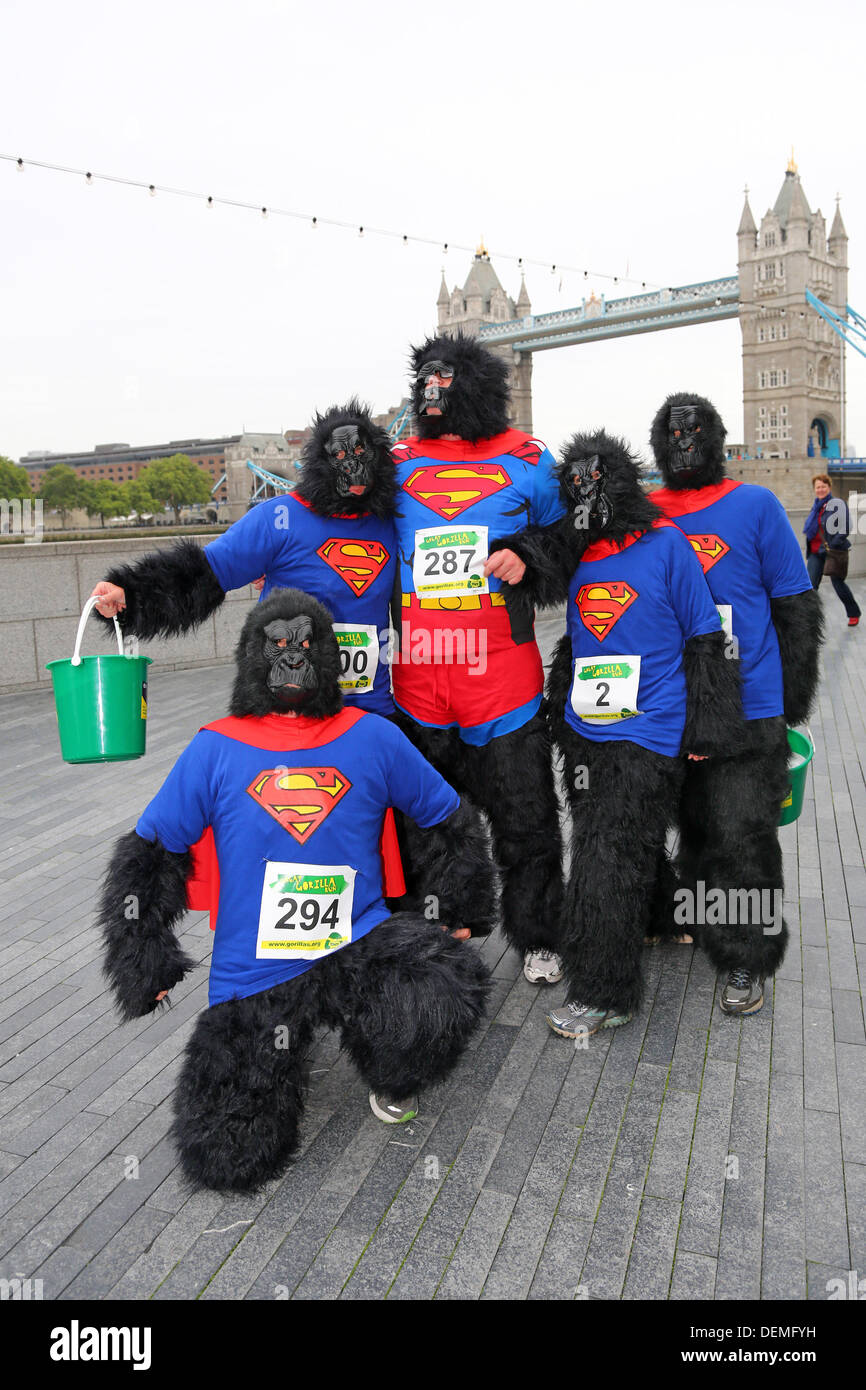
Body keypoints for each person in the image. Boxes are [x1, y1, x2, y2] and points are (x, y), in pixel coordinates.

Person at [98, 588, 494, 1192]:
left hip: (357, 940)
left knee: (440, 994)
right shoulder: (214, 747)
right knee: (225, 1156)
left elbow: (448, 819)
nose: (292, 661)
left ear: (330, 657)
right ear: (253, 659)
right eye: (277, 647)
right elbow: (149, 852)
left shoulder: (374, 737)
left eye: (306, 647)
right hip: (256, 966)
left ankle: (388, 1069)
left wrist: (458, 905)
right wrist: (142, 958)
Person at [537, 431, 742, 1039]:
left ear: (622, 481)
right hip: (584, 734)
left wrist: (706, 726)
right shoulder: (577, 556)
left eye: (595, 480)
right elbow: (578, 637)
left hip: (649, 732)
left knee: (601, 857)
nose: (585, 492)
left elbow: (705, 638)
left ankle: (605, 992)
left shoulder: (667, 546)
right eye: (574, 484)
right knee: (626, 846)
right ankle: (661, 918)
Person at [390, 331, 567, 985]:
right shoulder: (396, 461)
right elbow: (342, 528)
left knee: (526, 817)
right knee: (427, 820)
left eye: (445, 389)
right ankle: (440, 926)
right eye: (424, 391)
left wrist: (529, 553)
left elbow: (569, 533)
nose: (432, 402)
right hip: (418, 677)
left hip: (502, 678)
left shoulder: (528, 459)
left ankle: (541, 935)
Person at [648, 392, 823, 1016]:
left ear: (716, 437)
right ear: (659, 443)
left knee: (744, 835)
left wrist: (789, 702)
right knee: (690, 828)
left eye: (697, 431)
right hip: (667, 707)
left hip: (749, 707)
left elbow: (795, 604)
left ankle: (747, 955)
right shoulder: (644, 512)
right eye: (675, 432)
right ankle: (694, 920)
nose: (685, 442)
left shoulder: (754, 505)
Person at [803, 473, 861, 627]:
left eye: (823, 486)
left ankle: (854, 613)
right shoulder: (816, 506)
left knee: (838, 584)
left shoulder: (837, 504)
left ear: (829, 487)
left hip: (832, 552)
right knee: (811, 587)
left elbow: (846, 527)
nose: (820, 490)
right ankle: (810, 618)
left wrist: (832, 544)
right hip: (815, 552)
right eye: (817, 487)